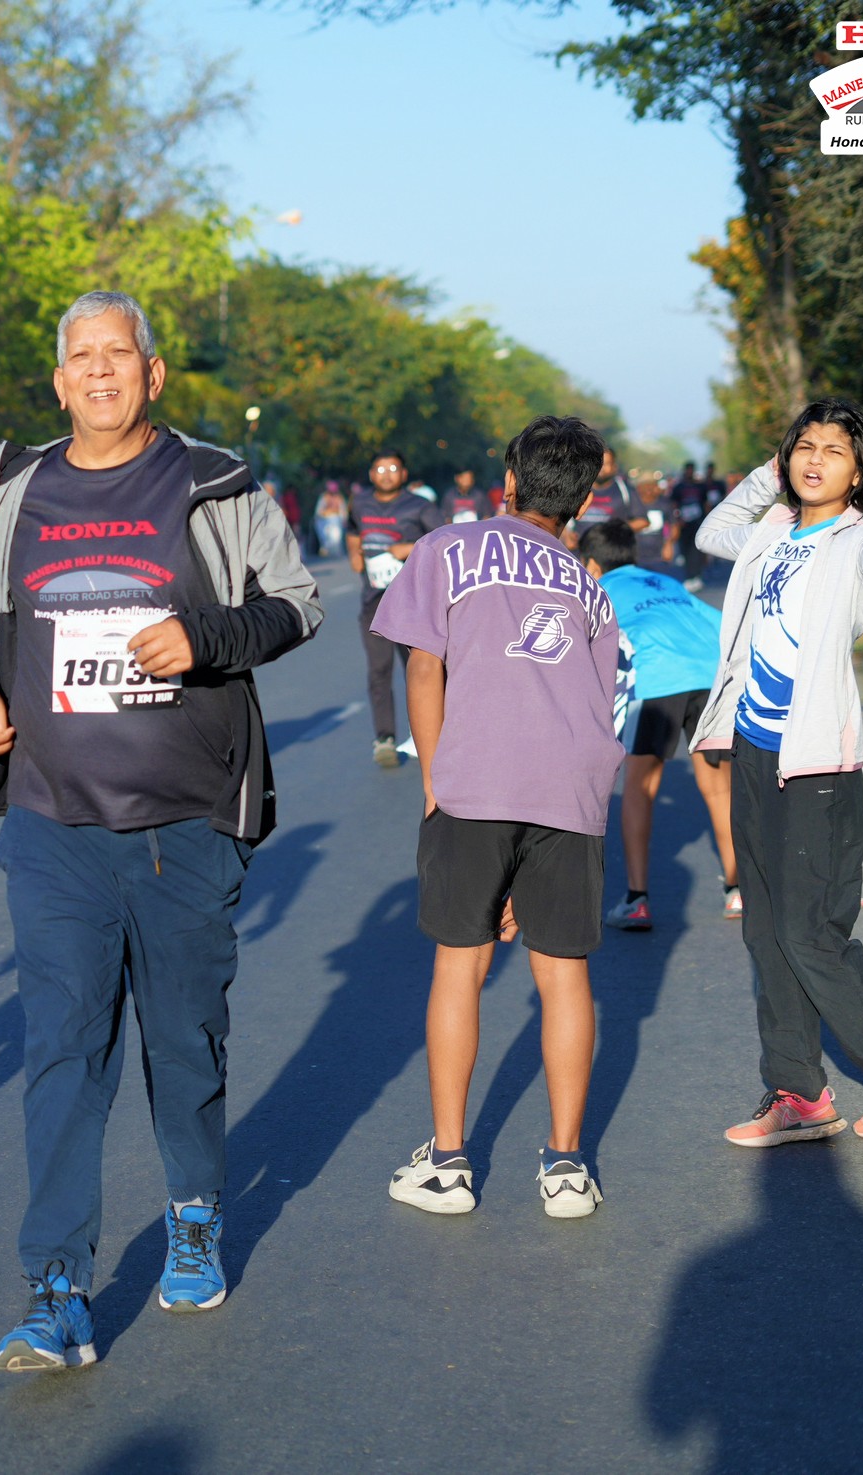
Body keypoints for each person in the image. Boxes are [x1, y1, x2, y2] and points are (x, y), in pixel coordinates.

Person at [0, 290, 321, 1372]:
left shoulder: (214, 483)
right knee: (62, 1048)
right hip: (52, 822)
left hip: (184, 824)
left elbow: (295, 603)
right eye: (83, 357)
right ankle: (55, 1288)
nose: (101, 372)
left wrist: (203, 637)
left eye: (119, 354)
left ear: (152, 374)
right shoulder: (13, 487)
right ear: (59, 380)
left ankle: (194, 1214)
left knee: (182, 1039)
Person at [372, 414, 625, 1219]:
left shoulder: (448, 547)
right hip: (571, 788)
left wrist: (434, 780)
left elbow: (424, 668)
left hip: (476, 780)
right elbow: (604, 699)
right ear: (582, 500)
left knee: (461, 964)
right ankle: (566, 1166)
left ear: (508, 481)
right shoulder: (590, 586)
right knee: (564, 973)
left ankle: (449, 1162)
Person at [692, 400, 863, 1148]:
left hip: (817, 766)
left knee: (810, 932)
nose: (815, 460)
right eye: (804, 447)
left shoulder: (861, 541)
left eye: (834, 451)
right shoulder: (771, 532)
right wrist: (766, 475)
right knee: (765, 930)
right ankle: (801, 1094)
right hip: (755, 751)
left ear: (859, 471)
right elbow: (710, 532)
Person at [577, 520, 738, 930]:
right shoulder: (666, 582)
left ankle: (637, 900)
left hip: (656, 681)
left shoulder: (595, 590)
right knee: (720, 788)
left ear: (591, 565)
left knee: (640, 787)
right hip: (710, 679)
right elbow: (722, 623)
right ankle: (737, 890)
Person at [349, 451, 446, 767]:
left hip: (413, 603)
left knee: (420, 670)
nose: (386, 473)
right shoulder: (360, 503)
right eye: (380, 468)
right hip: (374, 601)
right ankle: (385, 739)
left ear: (404, 474)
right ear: (370, 473)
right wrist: (354, 553)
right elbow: (352, 530)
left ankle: (433, 735)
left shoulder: (420, 506)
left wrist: (410, 548)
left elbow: (444, 541)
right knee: (378, 671)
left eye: (393, 468)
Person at [570, 447, 649, 541]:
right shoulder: (576, 488)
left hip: (612, 548)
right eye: (597, 463)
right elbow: (557, 517)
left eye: (606, 464)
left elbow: (643, 521)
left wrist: (613, 530)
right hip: (577, 549)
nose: (601, 468)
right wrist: (566, 536)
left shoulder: (625, 490)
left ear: (614, 467)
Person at [668, 459, 711, 589]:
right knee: (685, 550)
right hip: (683, 524)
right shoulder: (679, 487)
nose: (690, 473)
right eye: (688, 470)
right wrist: (676, 519)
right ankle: (689, 575)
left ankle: (696, 575)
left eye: (692, 470)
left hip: (697, 523)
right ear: (685, 471)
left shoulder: (700, 487)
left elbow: (705, 504)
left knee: (696, 550)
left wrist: (707, 520)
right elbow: (673, 505)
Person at [314, 483, 348, 559]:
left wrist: (344, 519)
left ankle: (337, 553)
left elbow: (343, 509)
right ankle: (327, 551)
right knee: (326, 537)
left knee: (337, 537)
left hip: (336, 519)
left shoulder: (339, 497)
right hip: (325, 519)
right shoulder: (324, 497)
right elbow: (319, 509)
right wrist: (318, 517)